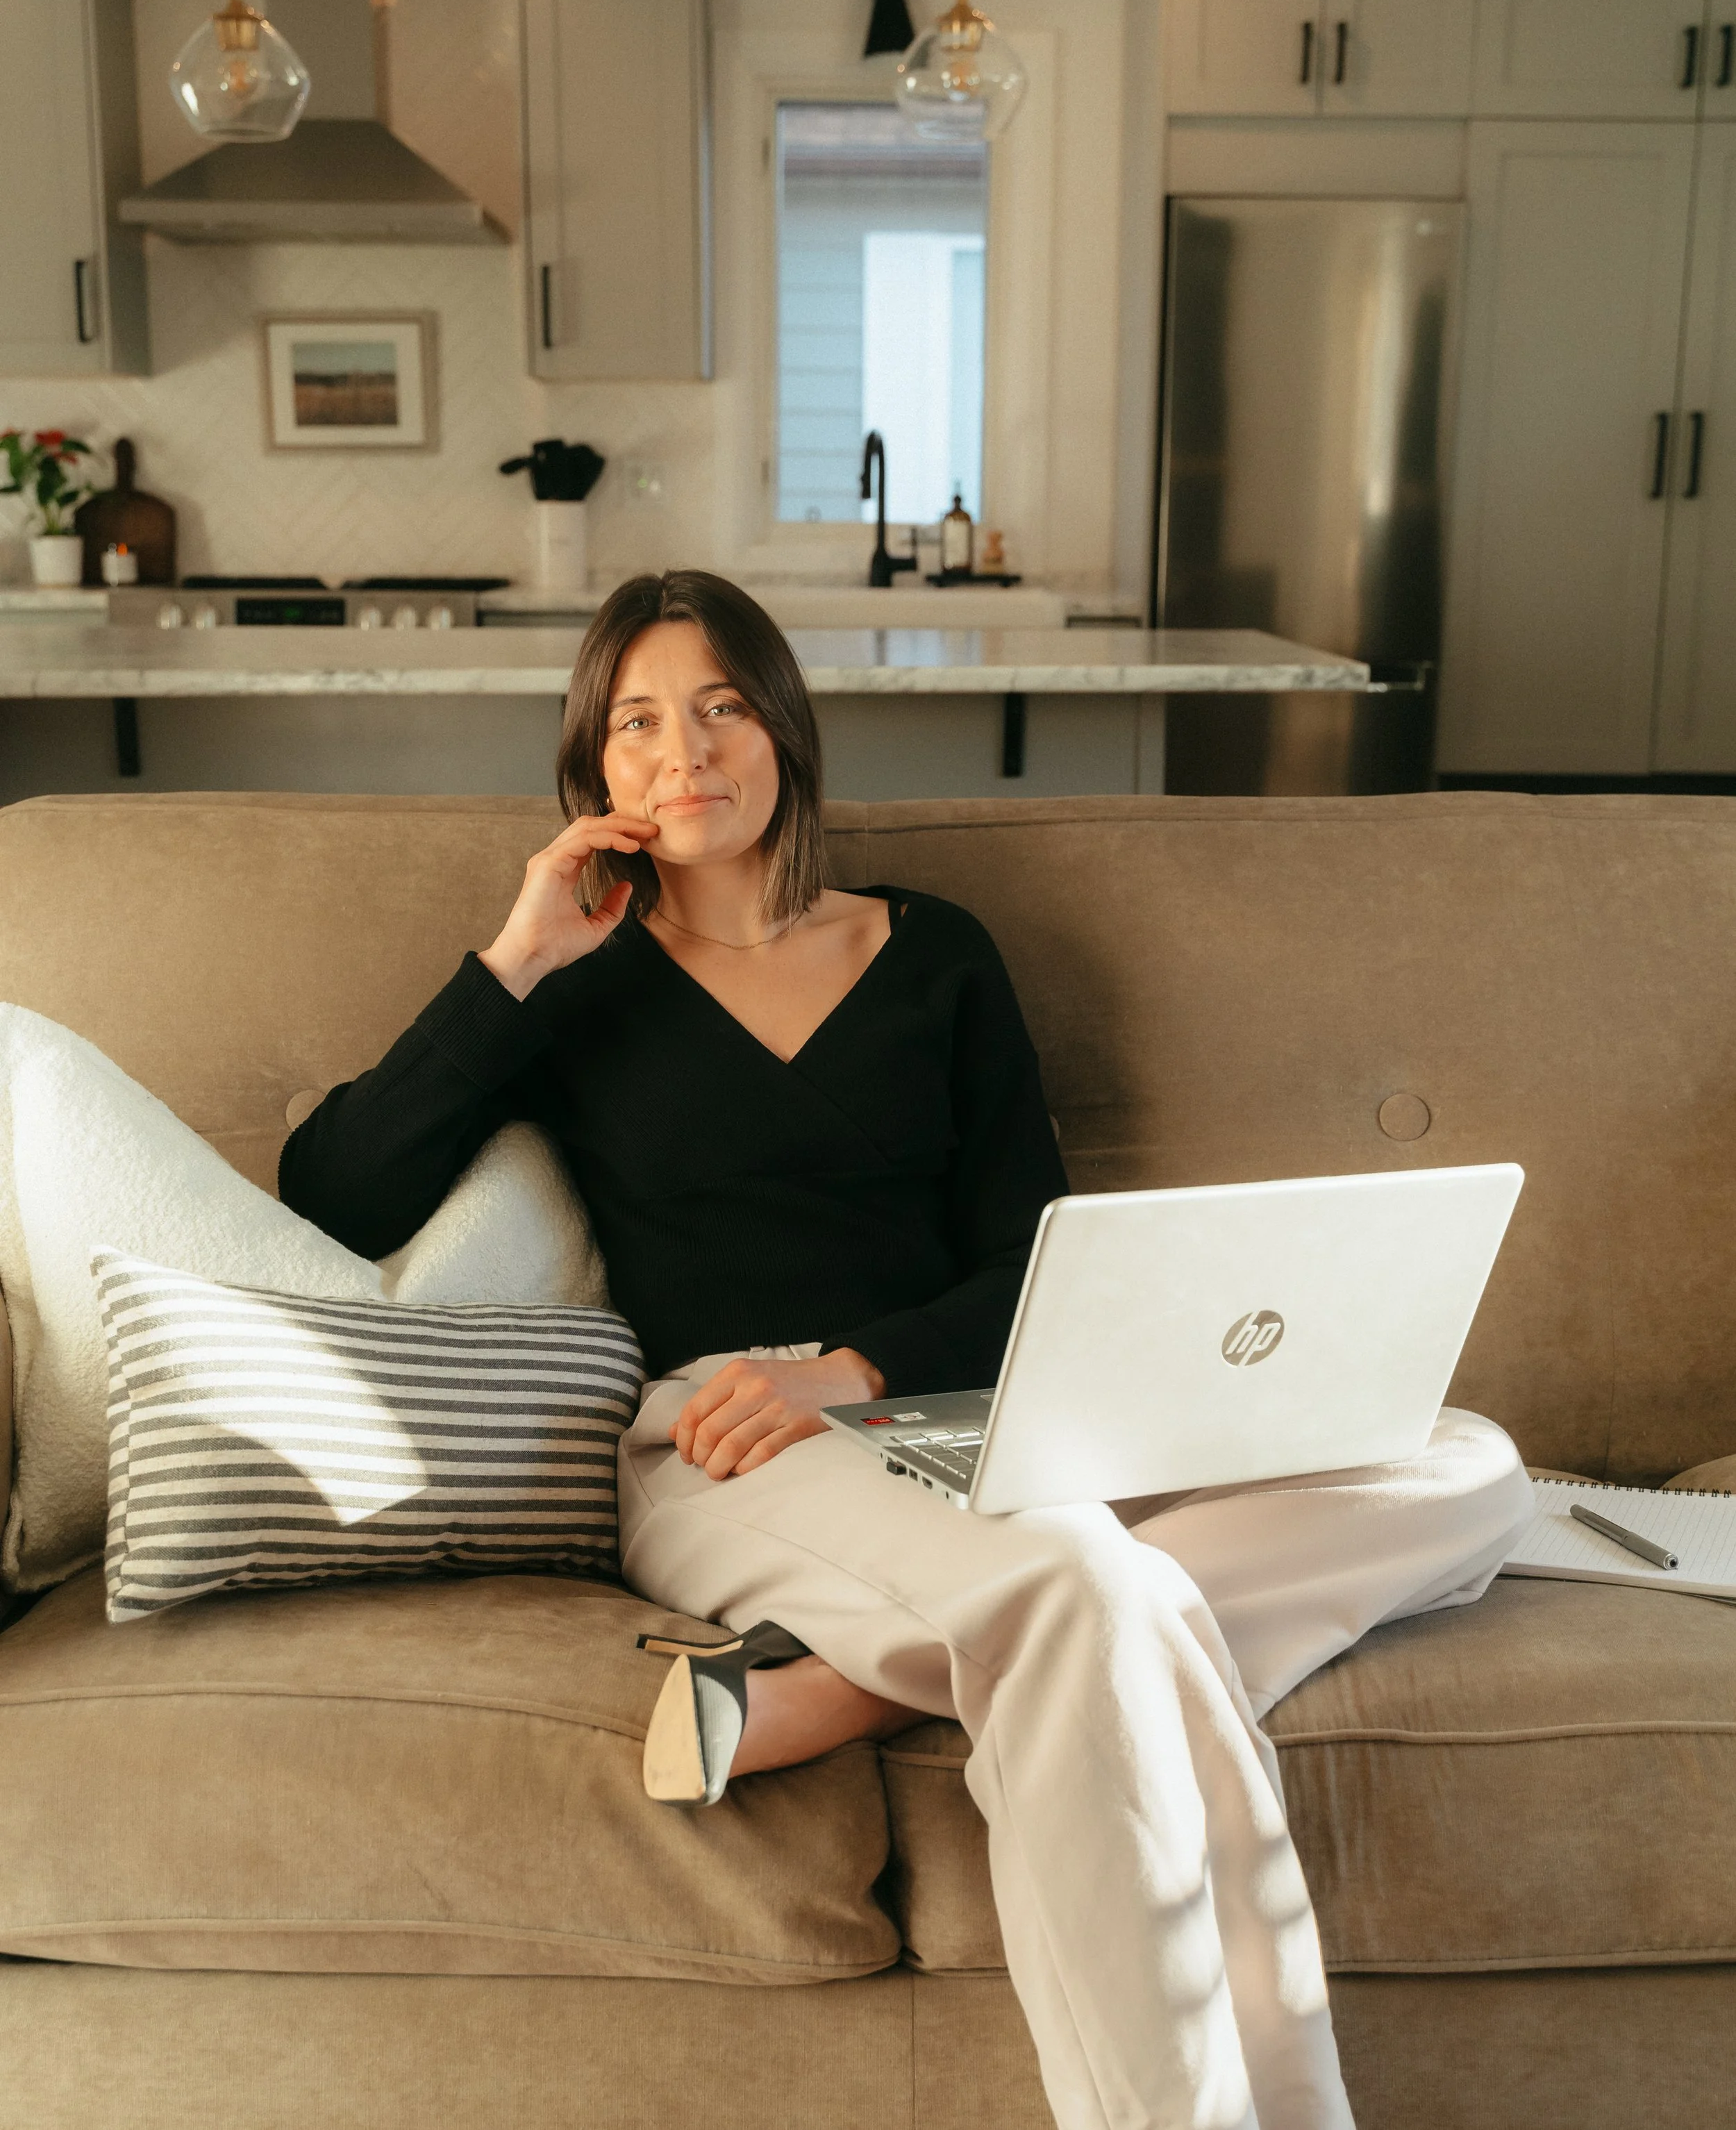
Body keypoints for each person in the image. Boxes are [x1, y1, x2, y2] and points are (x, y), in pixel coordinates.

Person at [281, 569, 1532, 2130]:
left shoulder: (935, 952)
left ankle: (865, 1688)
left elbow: (1029, 1256)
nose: (687, 753)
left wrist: (863, 1367)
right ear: (594, 772)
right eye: (638, 724)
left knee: (1467, 1462)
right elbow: (336, 1193)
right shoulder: (573, 987)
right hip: (728, 1437)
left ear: (783, 728)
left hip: (962, 1409)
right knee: (1084, 1586)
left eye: (723, 704)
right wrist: (516, 956)